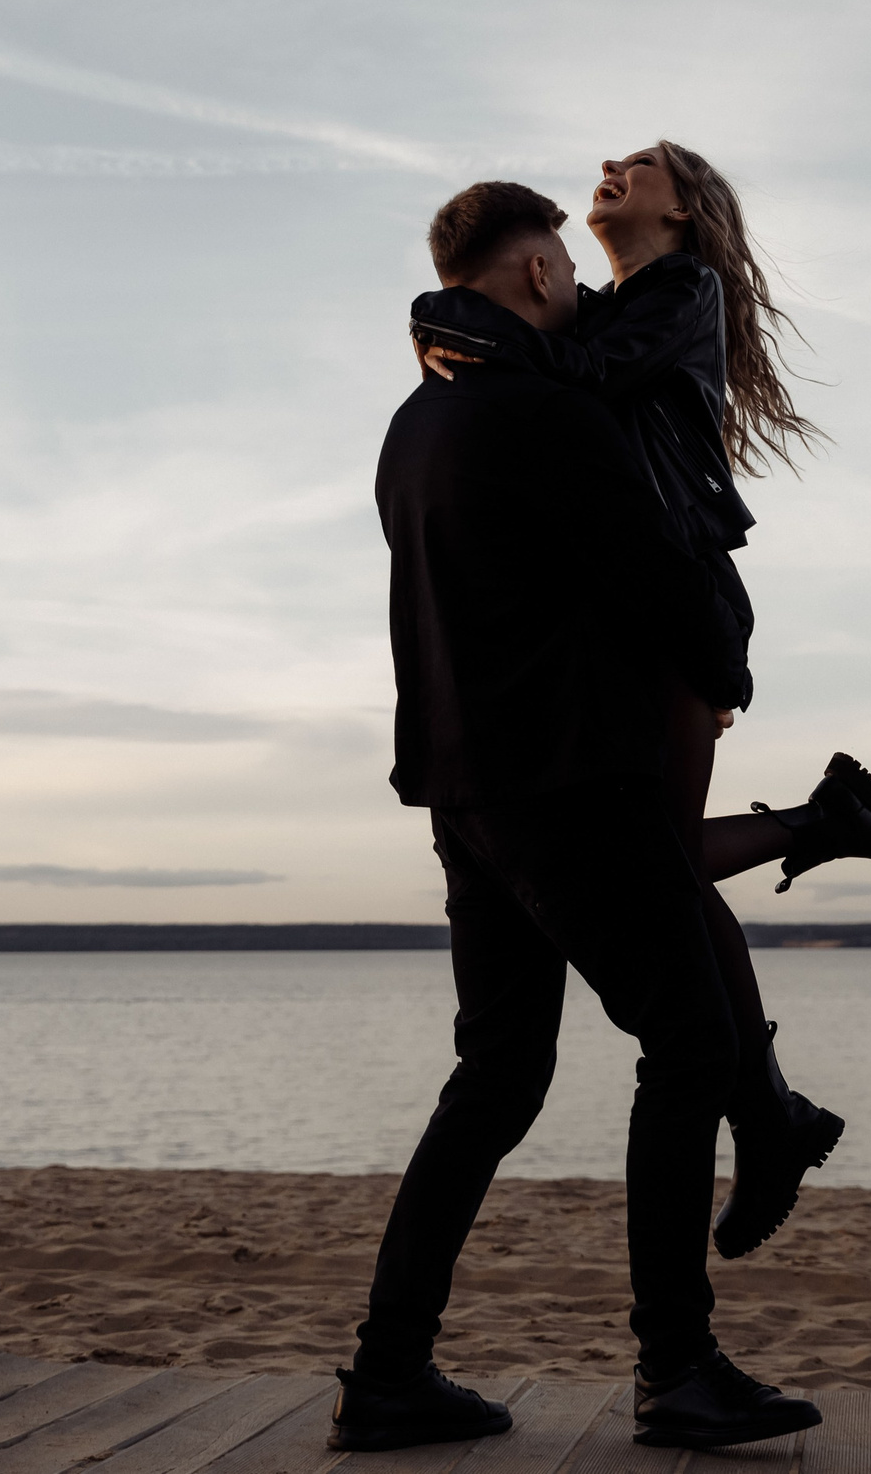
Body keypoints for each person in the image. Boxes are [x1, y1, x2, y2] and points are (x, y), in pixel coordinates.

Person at [335, 181, 825, 1454]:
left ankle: (387, 1373)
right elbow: (652, 571)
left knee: (497, 1075)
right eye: (565, 261)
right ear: (542, 272)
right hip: (572, 782)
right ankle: (679, 1367)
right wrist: (724, 676)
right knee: (694, 1046)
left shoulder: (411, 425)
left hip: (464, 792)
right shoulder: (549, 411)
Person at [413, 142, 871, 1259]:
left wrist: (455, 327)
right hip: (638, 615)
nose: (610, 167)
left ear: (686, 213)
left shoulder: (678, 293)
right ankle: (772, 1102)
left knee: (654, 865)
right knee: (656, 866)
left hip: (680, 604)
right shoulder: (602, 307)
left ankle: (770, 1103)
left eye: (640, 165)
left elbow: (573, 386)